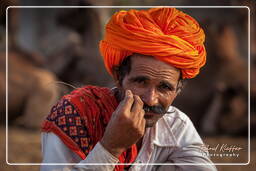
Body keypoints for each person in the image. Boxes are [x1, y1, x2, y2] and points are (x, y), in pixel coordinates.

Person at [40, 8, 217, 171]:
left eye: (164, 87)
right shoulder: (75, 114)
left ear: (178, 89)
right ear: (118, 78)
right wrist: (111, 148)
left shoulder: (176, 126)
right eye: (141, 82)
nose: (151, 99)